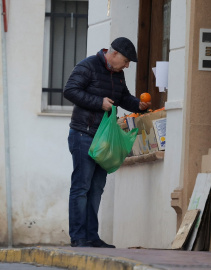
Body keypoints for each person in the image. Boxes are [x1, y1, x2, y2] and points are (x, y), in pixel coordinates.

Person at [64, 37, 151, 248]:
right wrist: (99, 102)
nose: (128, 65)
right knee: (81, 187)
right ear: (113, 54)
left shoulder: (118, 74)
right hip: (83, 134)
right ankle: (78, 238)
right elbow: (70, 91)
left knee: (96, 188)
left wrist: (139, 105)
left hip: (104, 139)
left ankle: (92, 236)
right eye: (127, 60)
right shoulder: (87, 66)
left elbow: (123, 98)